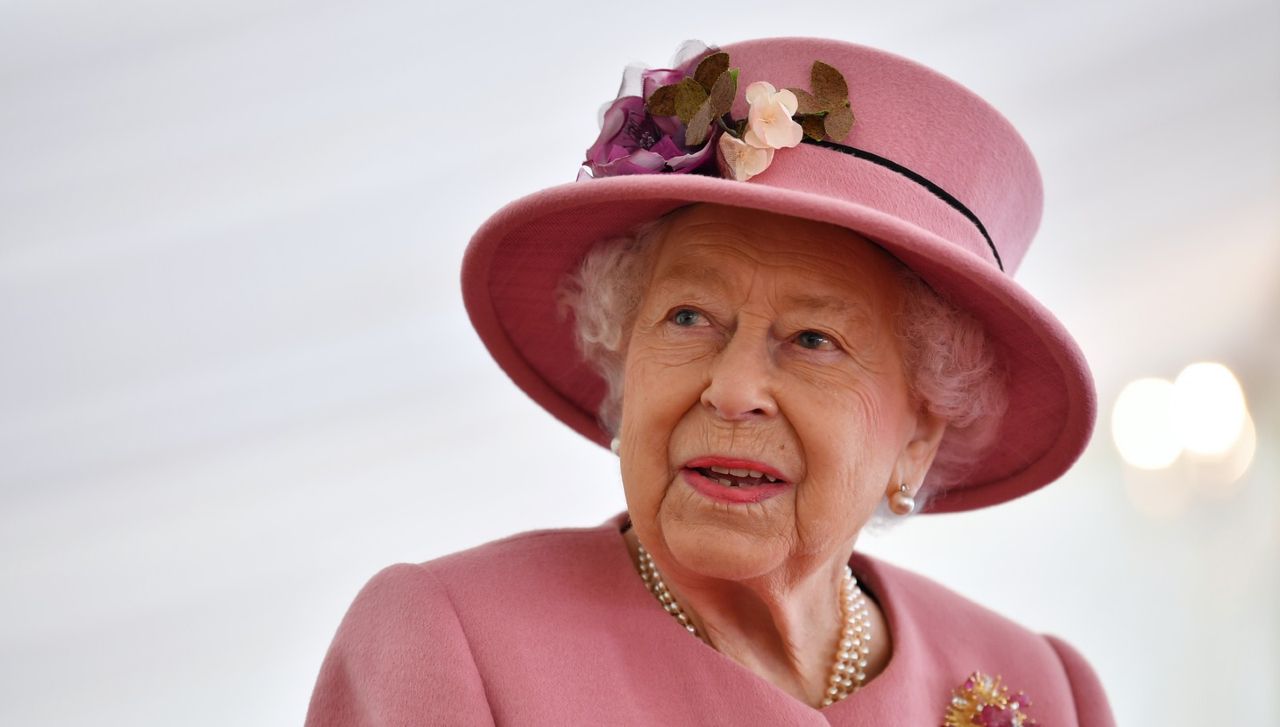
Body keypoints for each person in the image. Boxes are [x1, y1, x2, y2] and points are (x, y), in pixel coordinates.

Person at [304, 37, 1116, 726]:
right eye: (689, 318)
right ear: (623, 363)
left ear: (920, 433)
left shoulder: (1045, 689)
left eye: (811, 338)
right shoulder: (451, 642)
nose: (732, 391)